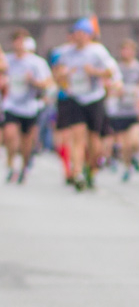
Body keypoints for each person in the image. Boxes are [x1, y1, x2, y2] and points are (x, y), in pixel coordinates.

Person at [53, 18, 119, 191]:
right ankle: (77, 172)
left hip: (94, 99)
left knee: (93, 139)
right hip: (75, 98)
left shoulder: (98, 51)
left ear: (89, 35)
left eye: (82, 33)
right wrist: (64, 76)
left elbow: (111, 72)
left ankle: (92, 171)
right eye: (76, 33)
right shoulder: (66, 53)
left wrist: (94, 72)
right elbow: (58, 78)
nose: (79, 37)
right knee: (77, 136)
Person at [4, 31, 51, 182]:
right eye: (15, 41)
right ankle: (11, 164)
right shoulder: (6, 61)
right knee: (10, 134)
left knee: (26, 141)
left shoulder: (36, 62)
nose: (18, 44)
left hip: (30, 106)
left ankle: (24, 167)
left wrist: (33, 81)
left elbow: (47, 83)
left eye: (21, 41)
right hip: (10, 104)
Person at [106, 39, 139, 179]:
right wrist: (115, 90)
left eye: (129, 50)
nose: (126, 53)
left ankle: (137, 156)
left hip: (135, 109)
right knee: (124, 145)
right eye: (124, 50)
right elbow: (109, 85)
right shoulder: (116, 68)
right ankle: (127, 166)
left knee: (135, 141)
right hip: (120, 110)